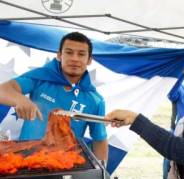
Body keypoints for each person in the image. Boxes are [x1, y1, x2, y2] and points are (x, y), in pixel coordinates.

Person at [0, 32, 108, 161]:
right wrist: (20, 100)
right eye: (69, 52)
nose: (74, 58)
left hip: (64, 165)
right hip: (27, 160)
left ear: (89, 60)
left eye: (81, 54)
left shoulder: (95, 100)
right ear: (59, 55)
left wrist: (103, 175)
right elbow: (3, 90)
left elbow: (99, 139)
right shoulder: (40, 78)